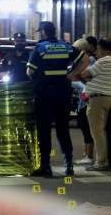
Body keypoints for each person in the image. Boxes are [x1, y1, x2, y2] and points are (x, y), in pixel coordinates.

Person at [26, 21, 90, 176]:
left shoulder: (40, 48)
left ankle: (46, 165)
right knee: (63, 129)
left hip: (44, 94)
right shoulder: (66, 46)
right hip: (62, 93)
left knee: (44, 130)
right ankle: (68, 165)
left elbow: (30, 72)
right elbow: (86, 60)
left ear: (43, 32)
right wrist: (73, 74)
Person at [81, 37, 111, 171]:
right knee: (106, 131)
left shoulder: (102, 62)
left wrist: (88, 78)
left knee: (98, 132)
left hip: (98, 99)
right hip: (109, 98)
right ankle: (106, 159)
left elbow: (84, 73)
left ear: (100, 48)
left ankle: (101, 162)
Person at [71, 39, 96, 164]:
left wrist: (73, 81)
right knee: (84, 125)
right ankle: (87, 154)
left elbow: (88, 82)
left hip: (88, 99)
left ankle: (89, 156)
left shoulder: (90, 62)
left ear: (83, 51)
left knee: (87, 127)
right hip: (83, 99)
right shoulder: (83, 62)